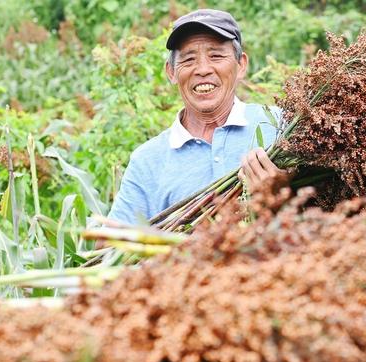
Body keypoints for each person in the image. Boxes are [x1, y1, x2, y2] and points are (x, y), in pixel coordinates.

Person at [108, 9, 292, 225]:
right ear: (171, 72)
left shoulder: (282, 125)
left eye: (216, 56)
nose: (203, 69)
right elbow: (112, 245)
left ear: (241, 65)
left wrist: (284, 196)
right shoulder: (148, 160)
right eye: (189, 59)